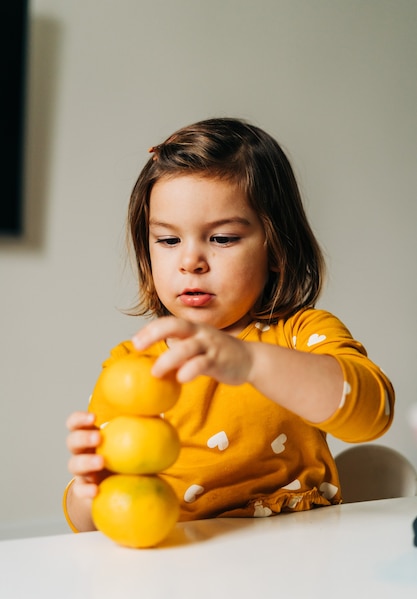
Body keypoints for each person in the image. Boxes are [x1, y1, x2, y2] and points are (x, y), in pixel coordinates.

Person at [64, 117, 395, 532]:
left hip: (303, 566)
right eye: (168, 241)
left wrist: (252, 362)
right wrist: (89, 489)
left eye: (221, 239)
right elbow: (86, 529)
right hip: (186, 572)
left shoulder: (298, 335)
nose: (190, 261)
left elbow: (374, 413)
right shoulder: (132, 365)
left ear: (276, 247)